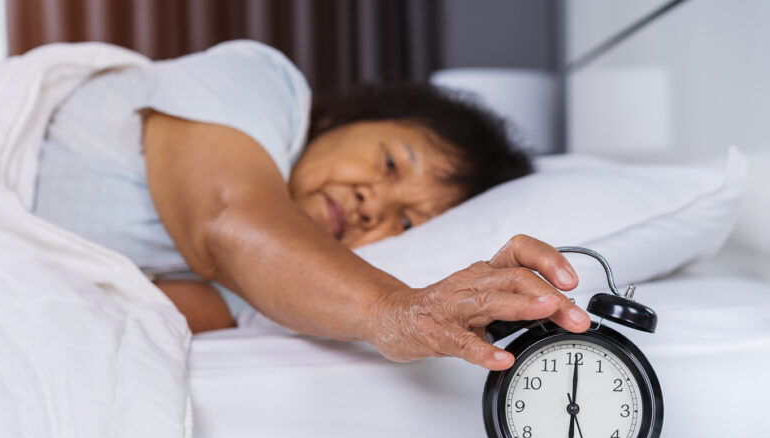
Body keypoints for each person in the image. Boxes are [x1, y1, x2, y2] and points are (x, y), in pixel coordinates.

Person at [33, 40, 590, 371]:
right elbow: (224, 221)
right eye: (392, 163)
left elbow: (103, 312)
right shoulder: (261, 83)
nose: (372, 204)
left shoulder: (272, 278)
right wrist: (395, 309)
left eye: (404, 221)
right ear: (345, 121)